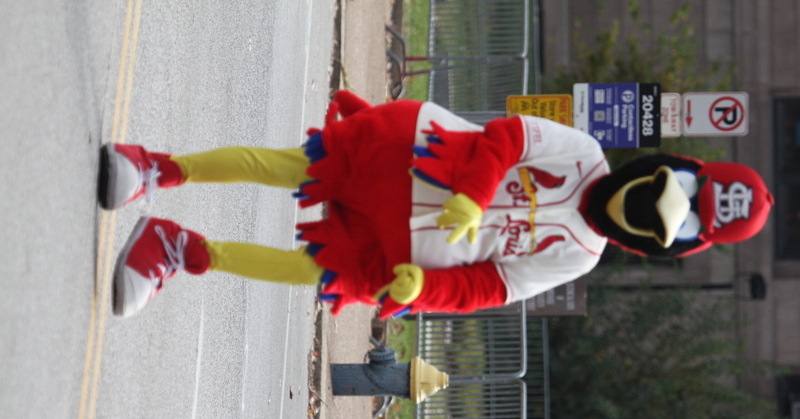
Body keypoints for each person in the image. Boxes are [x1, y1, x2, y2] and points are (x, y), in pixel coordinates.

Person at [99, 90, 774, 318]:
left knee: (315, 274)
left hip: (403, 251)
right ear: (665, 167)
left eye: (656, 220)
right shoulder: (585, 153)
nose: (644, 204)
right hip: (410, 154)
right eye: (659, 190)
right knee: (294, 168)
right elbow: (510, 136)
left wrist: (423, 288)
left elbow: (489, 286)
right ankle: (155, 168)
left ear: (664, 245)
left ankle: (178, 248)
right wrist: (476, 196)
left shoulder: (579, 255)